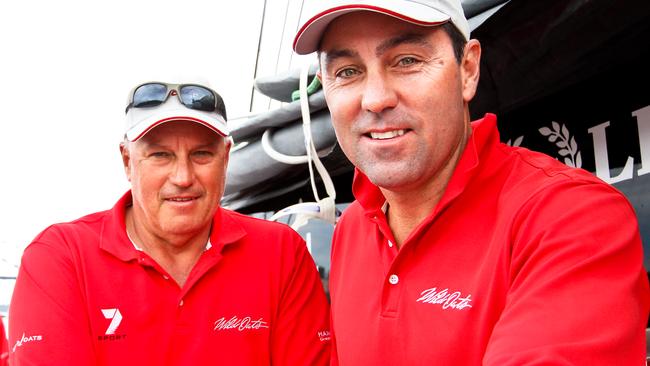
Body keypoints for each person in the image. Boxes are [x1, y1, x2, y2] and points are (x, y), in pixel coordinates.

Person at [293, 0, 650, 364]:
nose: (376, 99)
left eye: (407, 61)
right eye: (348, 71)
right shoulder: (351, 228)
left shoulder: (570, 217)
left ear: (468, 70)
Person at [9, 81, 330, 365]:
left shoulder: (281, 252)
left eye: (202, 154)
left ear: (226, 157)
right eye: (160, 155)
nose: (183, 178)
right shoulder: (61, 256)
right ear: (127, 161)